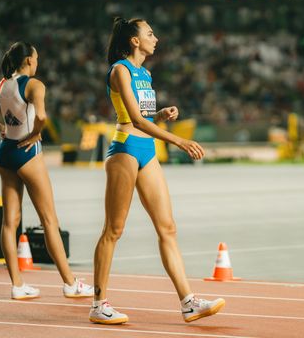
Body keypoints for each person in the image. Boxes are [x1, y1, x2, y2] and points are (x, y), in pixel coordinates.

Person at [90, 17, 225, 325]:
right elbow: (134, 120)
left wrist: (161, 115)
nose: (156, 38)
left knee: (168, 228)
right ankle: (98, 304)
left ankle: (189, 302)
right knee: (114, 230)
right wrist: (178, 140)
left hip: (147, 151)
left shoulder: (145, 73)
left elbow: (146, 116)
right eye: (149, 33)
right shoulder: (120, 70)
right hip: (124, 150)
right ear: (134, 40)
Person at [0, 41, 94, 300]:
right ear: (29, 60)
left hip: (5, 152)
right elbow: (41, 116)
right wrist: (37, 134)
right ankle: (70, 284)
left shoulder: (2, 85)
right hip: (28, 152)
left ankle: (18, 286)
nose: (38, 62)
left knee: (10, 223)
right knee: (49, 220)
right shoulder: (35, 85)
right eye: (37, 58)